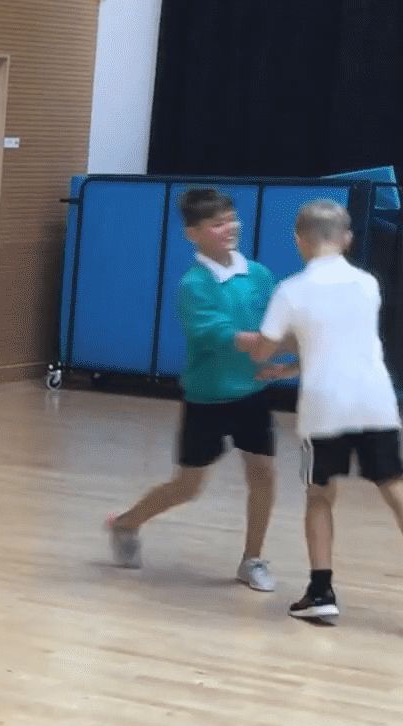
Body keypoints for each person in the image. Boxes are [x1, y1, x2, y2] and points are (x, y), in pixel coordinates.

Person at [236, 198, 403, 624]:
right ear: (347, 239)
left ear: (299, 240)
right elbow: (337, 342)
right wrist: (292, 361)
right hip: (375, 400)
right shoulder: (367, 284)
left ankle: (320, 592)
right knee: (398, 490)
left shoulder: (290, 290)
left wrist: (249, 343)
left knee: (319, 496)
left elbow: (268, 345)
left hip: (323, 409)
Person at [106, 188, 280, 591]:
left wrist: (279, 356)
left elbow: (273, 321)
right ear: (193, 233)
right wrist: (263, 344)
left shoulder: (259, 275)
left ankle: (252, 560)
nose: (229, 228)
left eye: (231, 219)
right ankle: (127, 523)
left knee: (263, 474)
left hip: (252, 395)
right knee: (188, 486)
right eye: (217, 223)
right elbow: (218, 334)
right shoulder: (194, 285)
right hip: (208, 399)